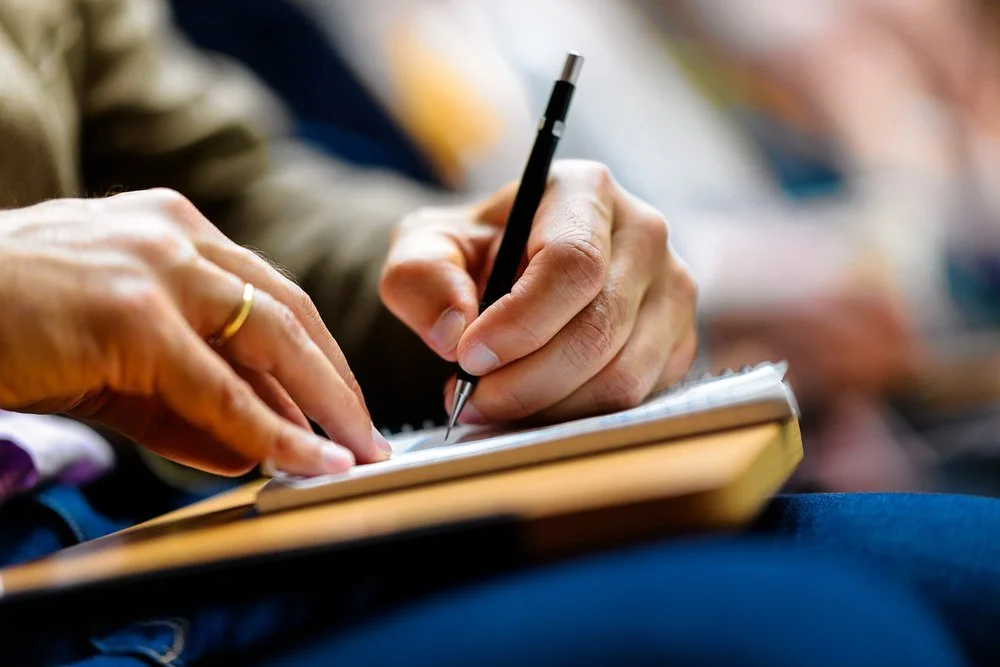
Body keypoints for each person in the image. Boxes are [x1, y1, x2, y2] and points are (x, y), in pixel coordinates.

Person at [0, 2, 997, 666]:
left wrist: (461, 271)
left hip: (135, 538)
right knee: (816, 638)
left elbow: (229, 199)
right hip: (65, 582)